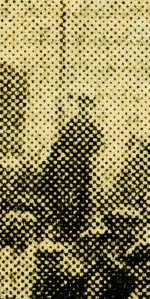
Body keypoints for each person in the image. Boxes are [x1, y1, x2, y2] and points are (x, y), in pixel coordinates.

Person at [40, 95, 104, 238]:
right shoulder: (72, 124)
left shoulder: (91, 127)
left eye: (88, 106)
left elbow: (99, 144)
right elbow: (59, 144)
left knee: (84, 194)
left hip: (83, 166)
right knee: (66, 194)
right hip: (71, 166)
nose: (84, 109)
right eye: (82, 106)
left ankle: (82, 223)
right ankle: (63, 223)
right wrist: (65, 155)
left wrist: (88, 155)